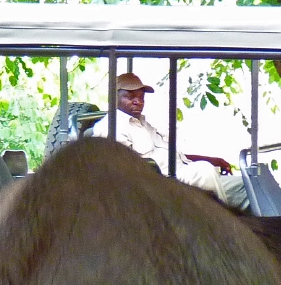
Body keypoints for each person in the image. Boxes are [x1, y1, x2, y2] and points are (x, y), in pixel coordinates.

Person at [91, 73, 250, 210]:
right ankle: (221, 228)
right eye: (131, 97)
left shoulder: (144, 124)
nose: (138, 101)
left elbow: (171, 156)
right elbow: (122, 169)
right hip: (161, 186)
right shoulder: (110, 126)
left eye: (141, 97)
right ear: (115, 98)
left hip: (184, 174)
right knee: (203, 171)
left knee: (247, 185)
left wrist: (211, 159)